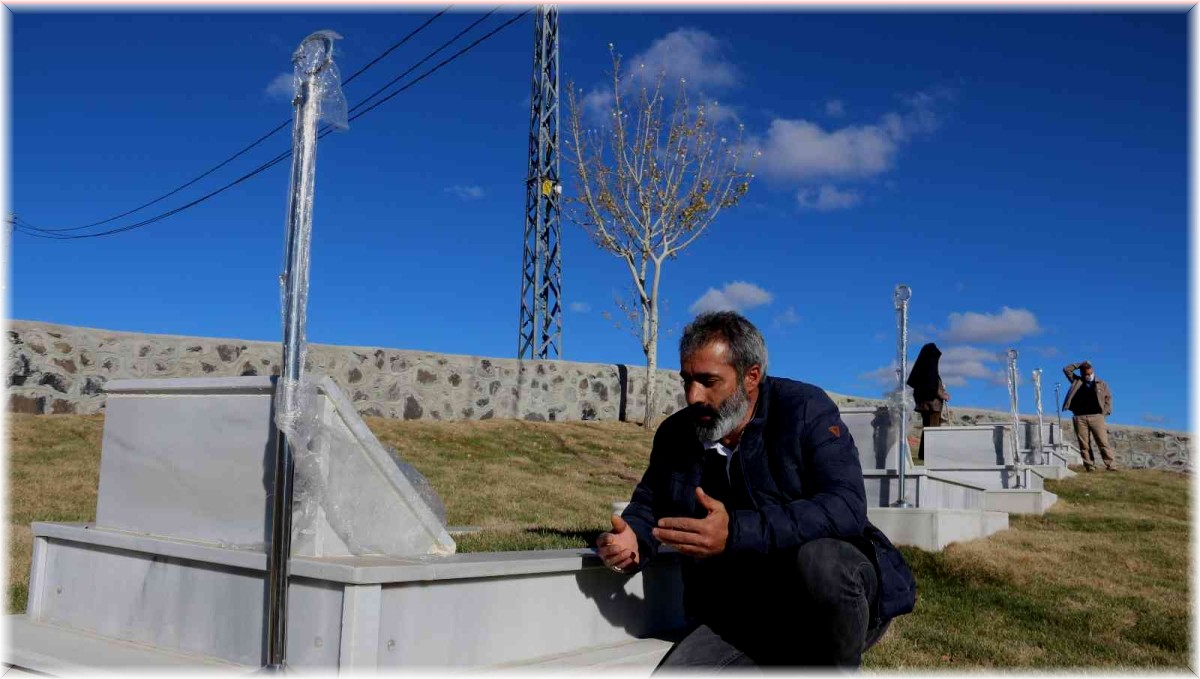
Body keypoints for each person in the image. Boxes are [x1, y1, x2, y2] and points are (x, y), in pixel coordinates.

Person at [595, 311, 917, 669]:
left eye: (707, 381)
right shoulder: (676, 436)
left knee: (822, 562)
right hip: (740, 612)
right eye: (686, 380)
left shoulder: (806, 410)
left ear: (751, 377)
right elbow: (650, 504)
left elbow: (846, 507)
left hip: (825, 600)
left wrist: (735, 532)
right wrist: (632, 541)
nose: (692, 395)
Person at [1062, 360, 1115, 472]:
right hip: (1079, 417)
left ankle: (1111, 465)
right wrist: (1080, 364)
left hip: (1096, 416)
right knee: (1084, 444)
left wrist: (1103, 414)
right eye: (1084, 373)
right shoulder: (1077, 381)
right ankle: (1089, 466)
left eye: (1088, 373)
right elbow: (1066, 370)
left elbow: (1108, 399)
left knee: (1103, 442)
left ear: (1092, 371)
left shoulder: (1101, 383)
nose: (1086, 375)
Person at [906, 343, 951, 460]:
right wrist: (943, 395)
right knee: (932, 430)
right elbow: (933, 386)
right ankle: (930, 456)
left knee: (927, 429)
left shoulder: (922, 368)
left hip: (925, 405)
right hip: (933, 405)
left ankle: (923, 455)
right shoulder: (930, 369)